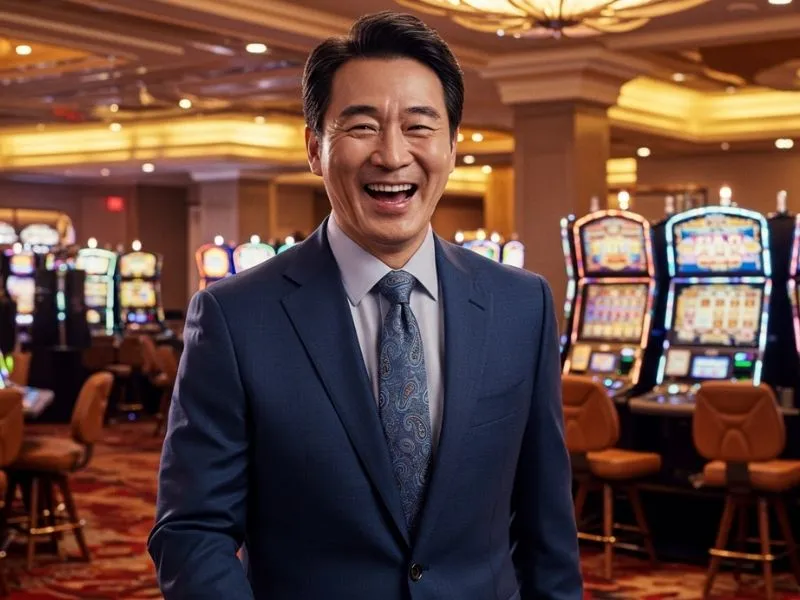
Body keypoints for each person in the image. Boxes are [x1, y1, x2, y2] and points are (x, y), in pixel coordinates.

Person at [148, 10, 582, 600]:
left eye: (419, 127)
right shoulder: (235, 317)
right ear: (314, 148)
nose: (392, 154)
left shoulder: (521, 304)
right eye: (361, 127)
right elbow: (192, 532)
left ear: (453, 147)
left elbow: (546, 528)